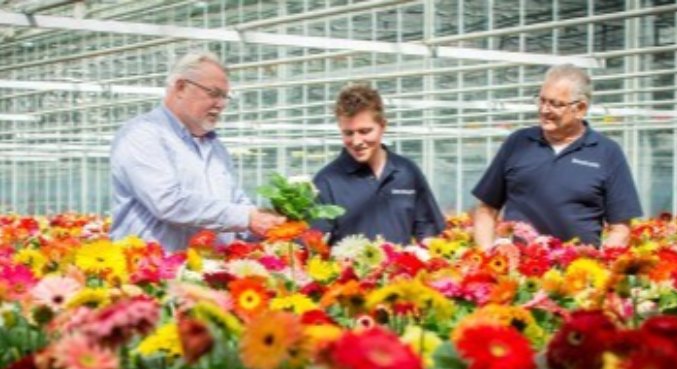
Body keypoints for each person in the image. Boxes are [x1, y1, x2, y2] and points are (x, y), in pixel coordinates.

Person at [110, 51, 285, 252]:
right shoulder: (143, 134)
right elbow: (168, 202)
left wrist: (268, 220)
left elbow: (235, 200)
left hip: (209, 273)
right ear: (181, 88)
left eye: (224, 97)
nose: (220, 104)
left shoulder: (215, 147)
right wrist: (246, 217)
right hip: (152, 275)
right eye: (213, 93)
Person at [472, 64, 642, 249]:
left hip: (576, 272)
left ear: (581, 109)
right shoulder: (518, 143)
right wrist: (486, 256)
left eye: (555, 104)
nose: (544, 110)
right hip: (517, 271)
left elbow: (620, 229)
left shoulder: (607, 152)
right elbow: (486, 209)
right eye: (542, 100)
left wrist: (600, 266)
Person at [312, 83, 445, 245]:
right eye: (348, 133)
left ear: (383, 126)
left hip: (402, 270)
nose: (356, 141)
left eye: (365, 131)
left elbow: (428, 231)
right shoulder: (327, 181)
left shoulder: (406, 172)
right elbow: (314, 244)